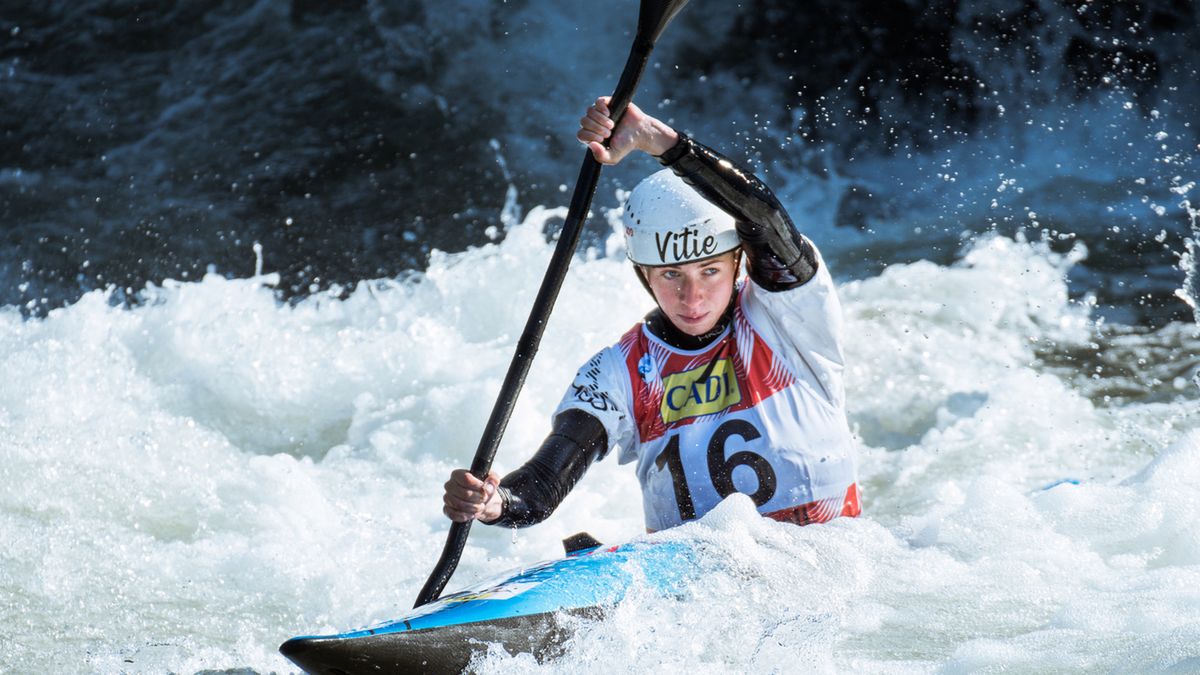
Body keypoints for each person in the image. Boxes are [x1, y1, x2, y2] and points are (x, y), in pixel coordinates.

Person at [443, 96, 860, 533]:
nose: (692, 298)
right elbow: (541, 487)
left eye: (710, 271)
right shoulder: (618, 371)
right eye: (671, 275)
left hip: (827, 558)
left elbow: (766, 217)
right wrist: (494, 503)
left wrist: (657, 141)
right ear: (644, 275)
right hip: (707, 573)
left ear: (738, 260)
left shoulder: (788, 315)